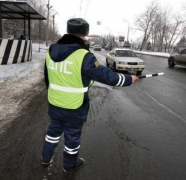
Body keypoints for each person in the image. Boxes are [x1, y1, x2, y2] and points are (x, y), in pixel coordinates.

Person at [41, 18, 139, 173]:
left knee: (52, 133)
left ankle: (45, 158)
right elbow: (108, 76)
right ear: (84, 34)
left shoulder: (51, 51)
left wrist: (53, 94)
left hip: (54, 102)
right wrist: (128, 79)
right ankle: (69, 165)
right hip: (75, 106)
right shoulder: (83, 56)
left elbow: (47, 77)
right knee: (72, 138)